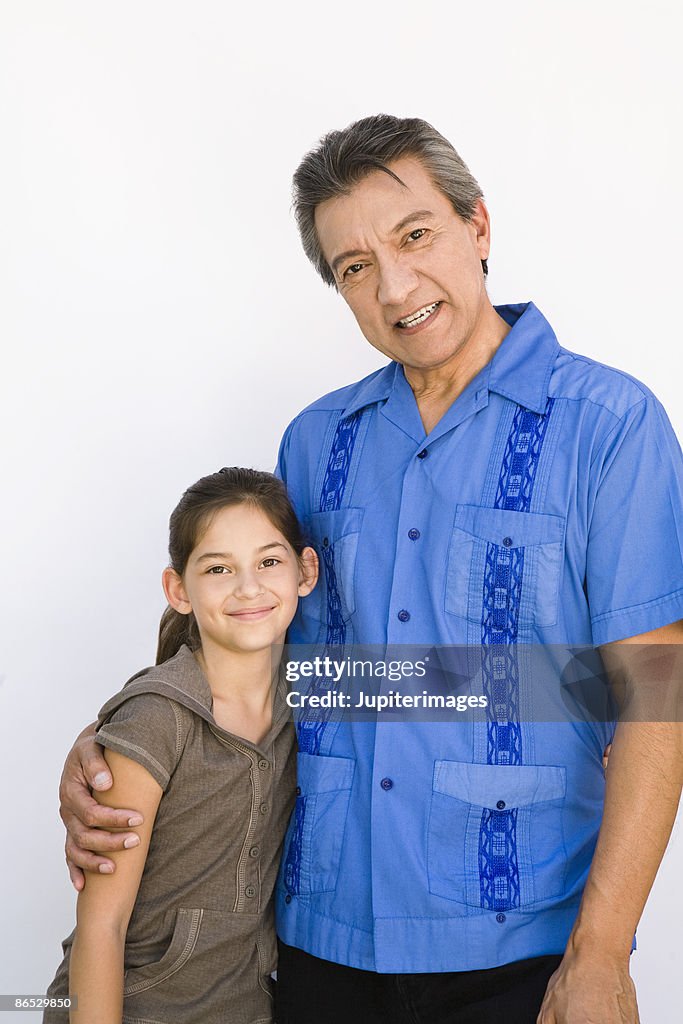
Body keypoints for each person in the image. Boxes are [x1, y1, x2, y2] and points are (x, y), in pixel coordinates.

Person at [59, 116, 683, 1023]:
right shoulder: (316, 443)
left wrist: (600, 950)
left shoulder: (609, 426)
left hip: (520, 948)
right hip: (314, 940)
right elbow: (272, 663)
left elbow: (654, 694)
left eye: (415, 235)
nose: (394, 284)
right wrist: (126, 738)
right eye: (354, 266)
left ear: (477, 226)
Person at [45, 468, 318, 1024]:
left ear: (304, 571)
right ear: (178, 589)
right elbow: (103, 924)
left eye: (269, 561)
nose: (248, 587)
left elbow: (452, 685)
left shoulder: (310, 699)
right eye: (219, 569)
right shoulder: (157, 719)